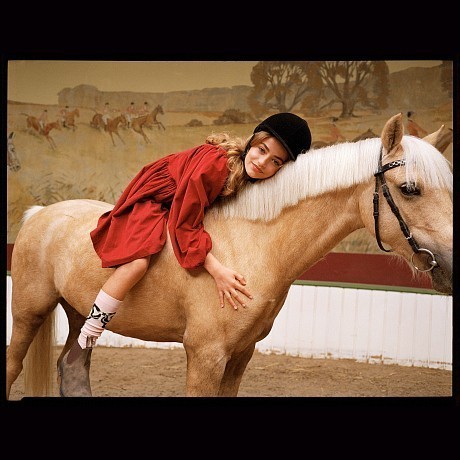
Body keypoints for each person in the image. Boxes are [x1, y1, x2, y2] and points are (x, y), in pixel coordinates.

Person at [58, 112, 312, 396]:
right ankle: (86, 339)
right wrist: (217, 270)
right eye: (262, 150)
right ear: (252, 141)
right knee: (137, 263)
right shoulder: (216, 165)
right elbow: (184, 222)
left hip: (178, 204)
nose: (263, 162)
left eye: (275, 161)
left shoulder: (250, 175)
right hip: (155, 199)